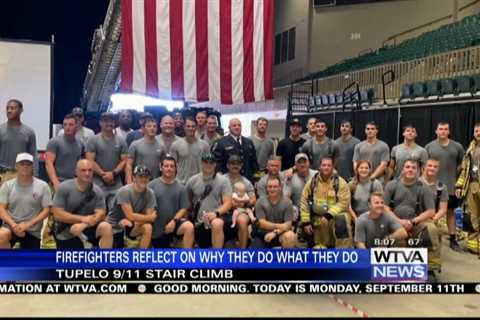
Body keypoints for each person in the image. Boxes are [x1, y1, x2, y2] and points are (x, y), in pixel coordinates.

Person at [383, 159, 441, 280]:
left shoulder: (424, 188)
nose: (410, 170)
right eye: (407, 167)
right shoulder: (391, 185)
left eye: (413, 168)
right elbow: (384, 207)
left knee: (431, 229)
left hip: (416, 223)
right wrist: (399, 222)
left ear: (419, 171)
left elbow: (431, 211)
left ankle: (430, 268)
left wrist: (413, 221)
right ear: (402, 169)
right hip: (395, 223)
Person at [51, 159, 113, 249]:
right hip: (65, 231)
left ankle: (105, 260)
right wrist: (82, 219)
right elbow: (57, 214)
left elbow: (101, 214)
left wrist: (84, 224)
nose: (87, 173)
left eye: (90, 170)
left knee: (106, 227)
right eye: (83, 170)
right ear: (76, 172)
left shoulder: (97, 191)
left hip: (88, 227)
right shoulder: (64, 187)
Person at [425, 122, 465, 251]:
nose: (443, 131)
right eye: (440, 129)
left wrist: (454, 176)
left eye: (445, 129)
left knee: (450, 212)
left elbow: (462, 164)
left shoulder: (457, 147)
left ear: (449, 131)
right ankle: (429, 238)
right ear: (436, 131)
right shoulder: (429, 147)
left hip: (450, 185)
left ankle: (453, 239)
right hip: (432, 187)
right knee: (431, 212)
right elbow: (425, 166)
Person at [0, 153, 52, 249]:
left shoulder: (43, 186)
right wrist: (13, 225)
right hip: (12, 225)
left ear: (32, 166)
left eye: (28, 164)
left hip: (32, 229)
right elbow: (1, 209)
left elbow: (47, 210)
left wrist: (28, 224)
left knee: (31, 262)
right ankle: (8, 263)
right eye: (22, 163)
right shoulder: (7, 186)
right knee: (1, 235)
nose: (25, 166)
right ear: (16, 166)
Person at [299, 157, 352, 248]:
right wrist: (306, 222)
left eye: (329, 165)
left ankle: (342, 254)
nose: (326, 167)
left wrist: (328, 215)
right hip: (317, 218)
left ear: (333, 167)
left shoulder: (340, 183)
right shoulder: (312, 182)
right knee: (301, 230)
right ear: (319, 167)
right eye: (324, 165)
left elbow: (344, 202)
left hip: (334, 217)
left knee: (342, 220)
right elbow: (304, 201)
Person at [186, 153, 232, 248]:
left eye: (211, 162)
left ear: (215, 164)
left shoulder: (224, 181)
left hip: (219, 219)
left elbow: (228, 203)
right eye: (206, 162)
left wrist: (216, 213)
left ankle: (217, 259)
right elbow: (187, 203)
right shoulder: (192, 181)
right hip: (199, 223)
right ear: (201, 163)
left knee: (217, 223)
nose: (208, 165)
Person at [148, 155, 194, 248]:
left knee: (189, 227)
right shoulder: (151, 186)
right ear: (161, 168)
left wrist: (174, 221)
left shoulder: (181, 187)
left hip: (174, 224)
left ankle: (187, 259)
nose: (169, 169)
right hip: (156, 228)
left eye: (171, 166)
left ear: (175, 169)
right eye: (166, 166)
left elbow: (184, 208)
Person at [107, 165, 157, 249]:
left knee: (148, 227)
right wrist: (148, 218)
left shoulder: (150, 193)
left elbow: (150, 218)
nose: (144, 179)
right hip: (115, 226)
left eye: (146, 177)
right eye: (140, 176)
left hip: (133, 225)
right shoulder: (124, 191)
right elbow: (130, 215)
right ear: (134, 178)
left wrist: (142, 220)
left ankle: (141, 258)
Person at [85, 112, 128, 210]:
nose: (109, 123)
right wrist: (103, 174)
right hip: (97, 182)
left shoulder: (121, 141)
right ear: (100, 123)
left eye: (111, 121)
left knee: (116, 211)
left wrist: (113, 173)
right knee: (97, 211)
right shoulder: (93, 140)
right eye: (105, 121)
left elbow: (124, 161)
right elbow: (90, 160)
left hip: (116, 183)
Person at [251, 176, 297, 248]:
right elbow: (262, 224)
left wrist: (275, 232)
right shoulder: (260, 202)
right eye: (270, 187)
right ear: (266, 188)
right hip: (263, 234)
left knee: (290, 236)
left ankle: (286, 258)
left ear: (280, 188)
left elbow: (288, 225)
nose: (272, 189)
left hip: (280, 233)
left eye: (275, 187)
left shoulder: (288, 202)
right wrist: (281, 226)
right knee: (254, 254)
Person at [456, 123, 480, 254]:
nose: (478, 133)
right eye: (476, 131)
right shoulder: (470, 149)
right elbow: (465, 170)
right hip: (472, 185)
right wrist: (459, 185)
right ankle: (472, 245)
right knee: (472, 215)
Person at [0, 99, 37, 184]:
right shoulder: (0, 130)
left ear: (20, 110)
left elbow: (33, 155)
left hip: (22, 174)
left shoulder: (29, 132)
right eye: (7, 108)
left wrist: (35, 175)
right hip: (2, 174)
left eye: (13, 108)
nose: (9, 111)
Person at [224, 155, 257, 248]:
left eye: (238, 164)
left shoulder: (246, 182)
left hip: (241, 210)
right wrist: (229, 203)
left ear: (241, 165)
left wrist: (244, 203)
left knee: (242, 221)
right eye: (232, 164)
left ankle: (243, 251)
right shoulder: (221, 179)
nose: (235, 166)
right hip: (224, 210)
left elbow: (253, 199)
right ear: (227, 165)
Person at [45, 114, 85, 192]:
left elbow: (80, 163)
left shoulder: (80, 143)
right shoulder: (54, 142)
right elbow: (48, 163)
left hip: (74, 183)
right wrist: (55, 182)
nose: (67, 127)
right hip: (58, 182)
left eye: (70, 125)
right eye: (65, 125)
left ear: (76, 126)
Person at [126, 117, 166, 184]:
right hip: (138, 182)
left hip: (155, 183)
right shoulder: (135, 144)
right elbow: (128, 165)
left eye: (154, 126)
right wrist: (129, 182)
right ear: (143, 129)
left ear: (157, 129)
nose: (152, 128)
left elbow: (163, 166)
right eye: (149, 126)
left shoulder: (161, 146)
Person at [170, 117, 210, 184]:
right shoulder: (175, 145)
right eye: (188, 126)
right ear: (184, 127)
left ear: (196, 127)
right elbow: (171, 166)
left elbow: (208, 165)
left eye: (193, 126)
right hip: (182, 183)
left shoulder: (205, 145)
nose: (190, 128)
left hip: (200, 182)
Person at [283, 153, 317, 221]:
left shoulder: (316, 174)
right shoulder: (291, 178)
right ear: (295, 165)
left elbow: (331, 173)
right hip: (298, 211)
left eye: (304, 162)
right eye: (299, 162)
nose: (302, 164)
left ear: (309, 163)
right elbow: (285, 198)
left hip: (316, 208)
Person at [421, 158, 448, 236]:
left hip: (432, 219)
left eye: (435, 167)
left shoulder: (442, 187)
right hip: (415, 219)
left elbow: (443, 210)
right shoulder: (415, 183)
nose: (432, 168)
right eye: (429, 166)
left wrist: (433, 220)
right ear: (424, 167)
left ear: (438, 169)